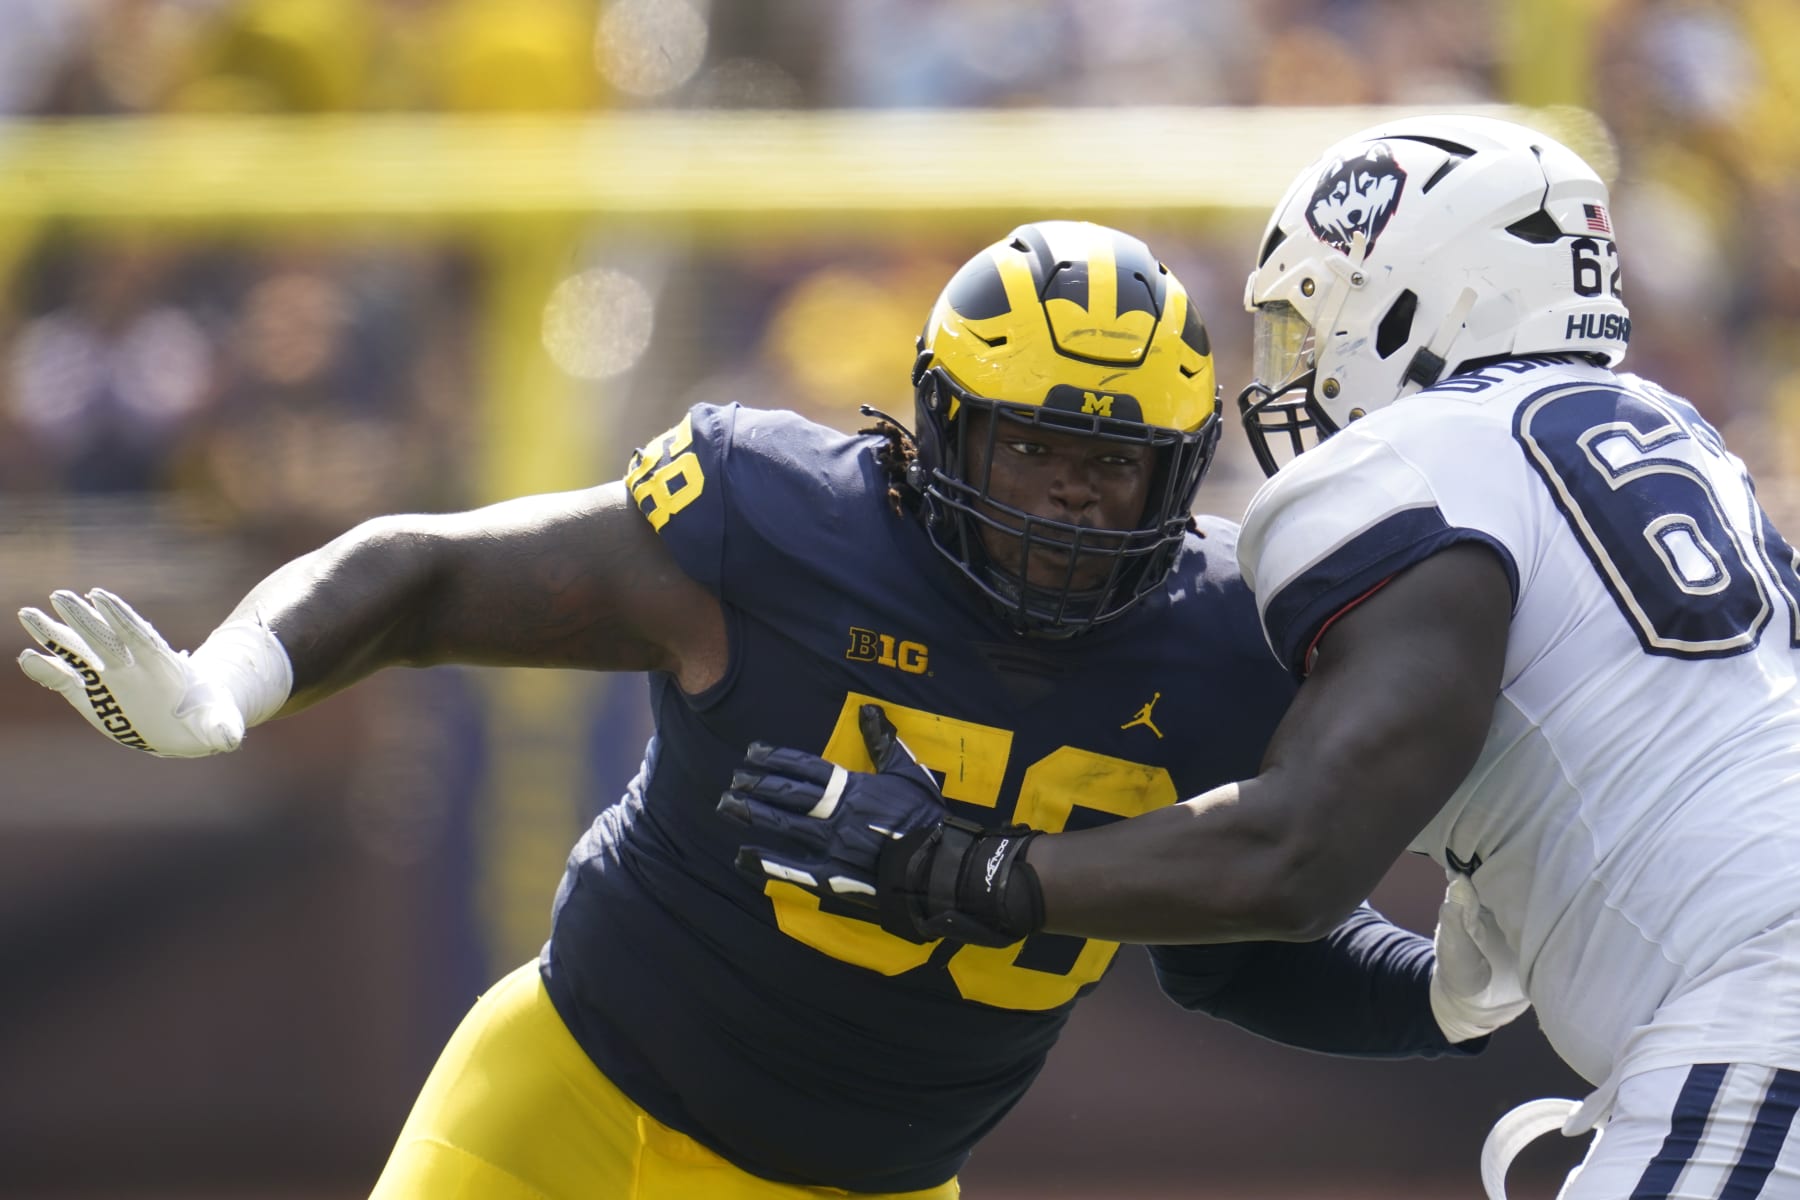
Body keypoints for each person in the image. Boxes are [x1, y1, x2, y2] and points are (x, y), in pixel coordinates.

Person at [18, 220, 1485, 1200]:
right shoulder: (781, 526)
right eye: (1035, 448)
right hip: (566, 1113)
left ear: (1181, 473)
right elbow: (428, 575)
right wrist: (234, 681)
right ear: (941, 426)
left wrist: (1445, 992)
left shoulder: (1224, 642)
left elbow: (1241, 951)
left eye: (1114, 467)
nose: (1069, 498)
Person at [726, 119, 1800, 1199]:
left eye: (1311, 318)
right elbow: (1455, 943)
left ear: (1426, 300)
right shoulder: (1680, 437)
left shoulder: (1420, 463)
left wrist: (958, 867)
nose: (1299, 365)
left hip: (1761, 1000)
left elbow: (1296, 856)